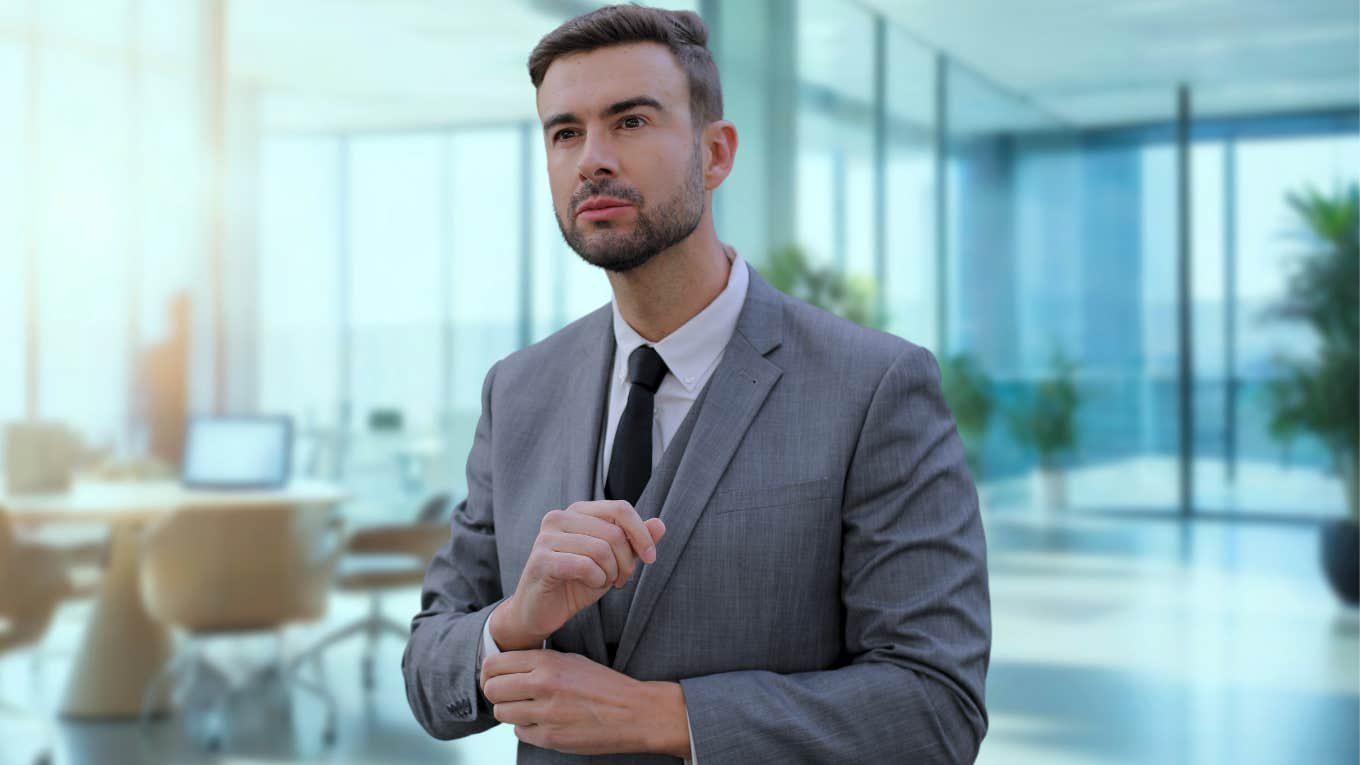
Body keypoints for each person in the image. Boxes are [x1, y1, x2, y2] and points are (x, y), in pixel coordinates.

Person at [402, 5, 990, 763]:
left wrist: (663, 716)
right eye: (565, 132)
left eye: (632, 121)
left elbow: (935, 706)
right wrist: (516, 618)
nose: (592, 159)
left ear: (716, 154)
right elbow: (427, 676)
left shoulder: (875, 387)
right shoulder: (517, 391)